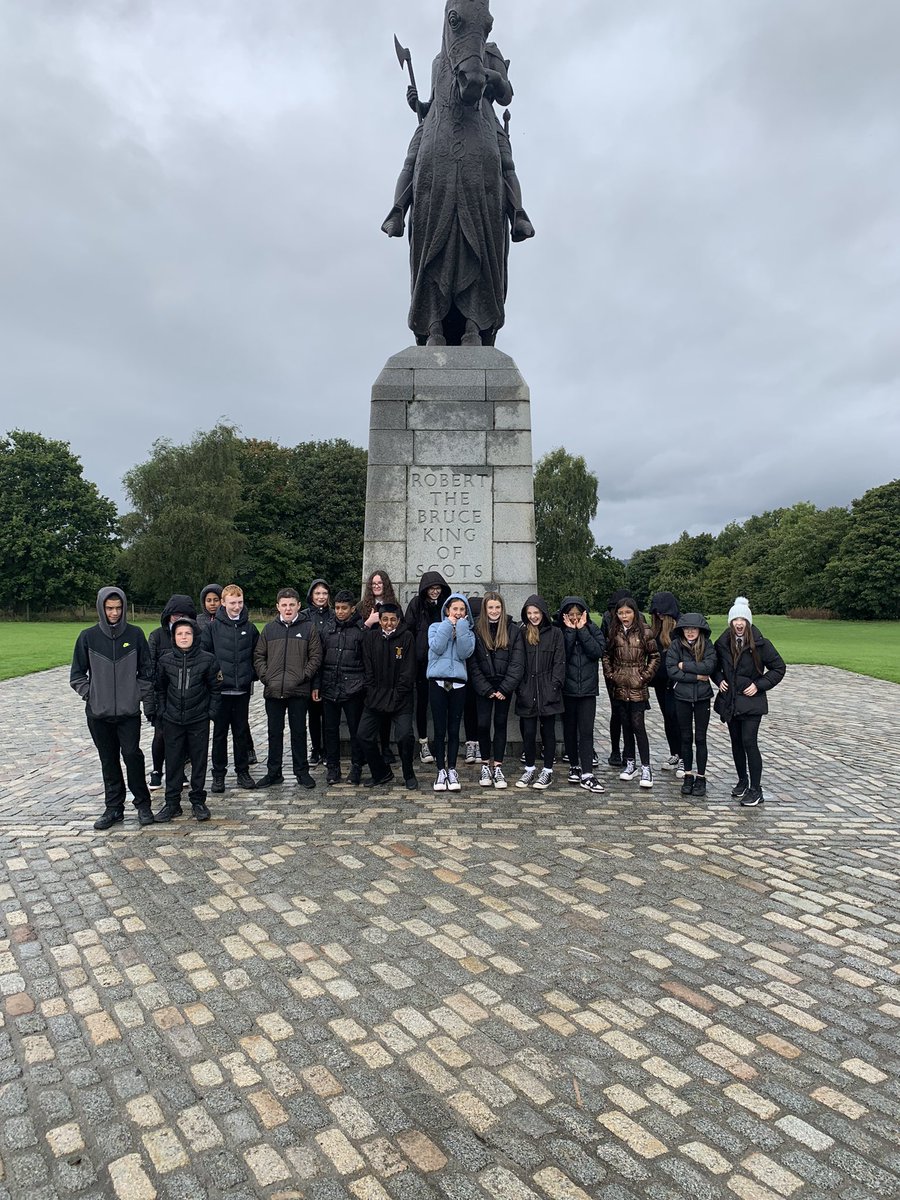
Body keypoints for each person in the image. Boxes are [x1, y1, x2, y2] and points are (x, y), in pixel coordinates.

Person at [70, 587, 156, 829]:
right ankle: (113, 808)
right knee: (108, 760)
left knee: (132, 755)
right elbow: (76, 675)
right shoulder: (88, 637)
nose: (114, 612)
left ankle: (143, 804)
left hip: (128, 713)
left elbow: (147, 672)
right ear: (101, 608)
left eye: (118, 608)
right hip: (98, 714)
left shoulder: (136, 634)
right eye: (110, 608)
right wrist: (92, 694)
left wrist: (136, 694)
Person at [713, 597, 786, 807]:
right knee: (736, 742)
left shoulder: (761, 643)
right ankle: (743, 781)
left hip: (752, 700)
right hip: (731, 700)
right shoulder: (723, 642)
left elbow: (778, 668)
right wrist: (719, 680)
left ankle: (756, 789)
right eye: (735, 619)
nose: (739, 623)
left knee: (749, 741)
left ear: (748, 621)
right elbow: (713, 665)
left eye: (742, 619)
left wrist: (760, 684)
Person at [153, 618, 222, 823]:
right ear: (174, 637)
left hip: (198, 719)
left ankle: (198, 801)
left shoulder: (207, 660)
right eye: (180, 634)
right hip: (172, 720)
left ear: (195, 636)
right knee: (173, 762)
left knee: (198, 761)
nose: (184, 637)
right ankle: (172, 803)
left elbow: (216, 689)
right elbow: (160, 688)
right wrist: (163, 711)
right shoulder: (165, 660)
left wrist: (210, 713)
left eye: (188, 633)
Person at [254, 588, 323, 790]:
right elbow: (259, 656)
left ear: (298, 606)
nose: (288, 608)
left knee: (299, 732)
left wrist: (303, 676)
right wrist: (267, 677)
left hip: (298, 690)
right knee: (274, 733)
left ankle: (301, 772)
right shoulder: (269, 629)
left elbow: (315, 656)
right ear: (278, 607)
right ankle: (274, 772)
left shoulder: (308, 628)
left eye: (291, 604)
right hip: (274, 690)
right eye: (284, 605)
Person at [201, 584, 259, 793]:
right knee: (219, 734)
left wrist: (250, 675)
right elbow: (204, 656)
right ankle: (218, 774)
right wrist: (213, 680)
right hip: (220, 691)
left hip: (241, 690)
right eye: (232, 603)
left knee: (241, 732)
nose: (236, 606)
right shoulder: (211, 628)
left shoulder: (250, 628)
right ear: (223, 603)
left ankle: (242, 771)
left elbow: (257, 655)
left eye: (240, 602)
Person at [358, 604, 418, 789]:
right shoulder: (370, 638)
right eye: (385, 619)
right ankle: (381, 772)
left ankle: (408, 773)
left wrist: (396, 696)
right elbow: (367, 670)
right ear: (380, 620)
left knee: (404, 736)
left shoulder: (407, 637)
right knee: (363, 735)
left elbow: (408, 672)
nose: (389, 623)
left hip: (400, 699)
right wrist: (372, 693)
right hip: (375, 697)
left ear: (398, 620)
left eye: (393, 619)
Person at [602, 598, 660, 789]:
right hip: (619, 684)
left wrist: (644, 677)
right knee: (625, 725)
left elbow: (654, 656)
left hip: (637, 685)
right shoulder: (614, 632)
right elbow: (607, 656)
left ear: (634, 612)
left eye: (627, 612)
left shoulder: (645, 631)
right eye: (620, 613)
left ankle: (645, 766)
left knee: (638, 726)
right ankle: (630, 763)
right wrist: (611, 676)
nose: (624, 616)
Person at [468, 592, 524, 789]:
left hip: (503, 686)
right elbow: (472, 663)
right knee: (482, 724)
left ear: (502, 608)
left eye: (497, 607)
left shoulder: (513, 630)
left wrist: (504, 688)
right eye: (490, 607)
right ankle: (485, 763)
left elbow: (517, 663)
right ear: (485, 609)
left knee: (500, 723)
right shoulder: (475, 629)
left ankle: (498, 766)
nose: (494, 611)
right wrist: (486, 688)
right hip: (483, 686)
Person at [147, 593, 197, 791]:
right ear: (168, 616)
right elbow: (148, 669)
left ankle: (178, 770)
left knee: (181, 738)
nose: (179, 619)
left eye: (184, 615)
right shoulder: (157, 637)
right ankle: (157, 770)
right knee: (160, 735)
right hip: (162, 696)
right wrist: (150, 702)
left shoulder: (194, 636)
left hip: (186, 697)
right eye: (175, 615)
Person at [427, 593, 476, 791]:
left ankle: (452, 768)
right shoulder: (435, 627)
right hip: (438, 682)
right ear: (447, 610)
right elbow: (437, 647)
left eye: (461, 609)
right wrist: (448, 625)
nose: (457, 612)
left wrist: (462, 628)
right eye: (454, 609)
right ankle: (440, 769)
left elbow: (465, 652)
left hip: (458, 684)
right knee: (439, 729)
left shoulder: (469, 632)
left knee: (454, 729)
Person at [515, 596, 565, 790]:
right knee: (527, 732)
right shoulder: (522, 633)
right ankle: (529, 768)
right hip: (527, 691)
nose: (533, 616)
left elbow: (559, 663)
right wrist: (521, 688)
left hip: (548, 691)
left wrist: (554, 687)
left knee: (548, 732)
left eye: (536, 612)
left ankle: (547, 771)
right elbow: (518, 662)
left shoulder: (555, 634)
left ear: (543, 613)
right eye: (529, 613)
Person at [557, 597, 607, 794]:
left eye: (578, 614)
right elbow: (563, 654)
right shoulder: (560, 631)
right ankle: (574, 766)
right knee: (569, 730)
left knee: (586, 731)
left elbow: (597, 651)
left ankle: (587, 772)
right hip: (567, 688)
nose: (575, 618)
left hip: (587, 689)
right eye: (571, 615)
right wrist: (570, 632)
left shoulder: (592, 629)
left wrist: (582, 631)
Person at [665, 613, 717, 797]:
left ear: (700, 630)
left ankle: (701, 777)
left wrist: (684, 666)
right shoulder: (675, 645)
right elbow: (671, 670)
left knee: (700, 738)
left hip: (703, 697)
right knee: (685, 737)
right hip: (682, 697)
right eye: (687, 629)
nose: (690, 632)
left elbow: (709, 667)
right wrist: (695, 675)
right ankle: (688, 774)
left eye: (694, 629)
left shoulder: (707, 646)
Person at [319, 590, 367, 786]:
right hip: (330, 685)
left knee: (356, 730)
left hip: (354, 688)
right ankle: (333, 767)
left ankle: (357, 766)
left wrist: (363, 685)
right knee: (330, 730)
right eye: (337, 608)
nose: (339, 612)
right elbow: (319, 659)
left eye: (344, 608)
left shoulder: (360, 631)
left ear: (352, 609)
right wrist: (317, 685)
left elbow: (366, 662)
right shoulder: (327, 630)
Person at [405, 571, 451, 764]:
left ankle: (444, 743)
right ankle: (423, 743)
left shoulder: (446, 605)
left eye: (437, 588)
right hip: (422, 662)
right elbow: (408, 629)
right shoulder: (416, 604)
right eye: (431, 588)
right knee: (422, 703)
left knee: (444, 705)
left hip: (442, 662)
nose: (434, 592)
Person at [649, 592, 683, 774]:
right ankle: (675, 752)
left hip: (676, 682)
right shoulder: (656, 631)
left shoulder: (678, 630)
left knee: (677, 717)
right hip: (661, 682)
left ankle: (685, 755)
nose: (659, 615)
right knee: (668, 718)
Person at [301, 578, 333, 766]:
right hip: (311, 671)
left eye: (324, 593)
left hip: (329, 671)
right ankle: (315, 748)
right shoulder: (304, 616)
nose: (321, 597)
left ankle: (328, 750)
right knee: (313, 715)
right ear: (311, 595)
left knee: (328, 716)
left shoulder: (333, 615)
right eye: (317, 593)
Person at [600, 588, 632, 767]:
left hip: (633, 673)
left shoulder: (639, 619)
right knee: (617, 711)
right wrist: (610, 672)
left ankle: (628, 751)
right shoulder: (607, 618)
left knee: (631, 713)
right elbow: (604, 648)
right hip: (613, 671)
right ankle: (615, 750)